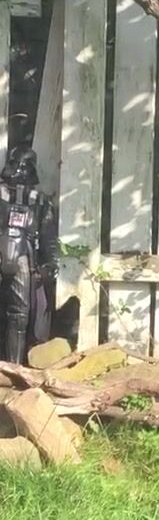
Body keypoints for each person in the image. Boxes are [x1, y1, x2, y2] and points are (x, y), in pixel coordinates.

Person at [0, 146, 59, 364]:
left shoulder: (40, 202)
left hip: (24, 259)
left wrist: (50, 263)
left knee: (19, 315)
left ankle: (13, 367)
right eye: (16, 165)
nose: (19, 172)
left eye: (25, 167)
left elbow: (48, 238)